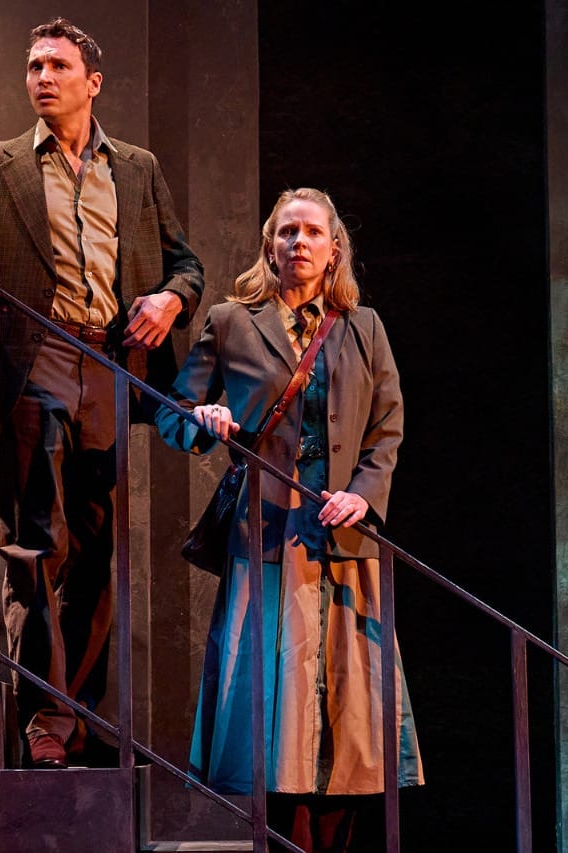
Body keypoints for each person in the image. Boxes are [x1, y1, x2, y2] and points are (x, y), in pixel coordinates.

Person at [0, 18, 204, 769]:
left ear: (92, 82)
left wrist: (170, 300)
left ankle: (74, 712)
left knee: (96, 548)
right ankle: (43, 713)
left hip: (108, 363)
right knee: (36, 542)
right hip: (31, 358)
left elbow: (186, 264)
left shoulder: (135, 169)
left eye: (58, 65)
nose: (42, 76)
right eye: (34, 65)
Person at [155, 187, 423, 851]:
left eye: (311, 233)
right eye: (285, 232)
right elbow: (171, 411)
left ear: (335, 249)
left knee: (345, 724)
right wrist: (203, 417)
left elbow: (387, 426)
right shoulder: (230, 319)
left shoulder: (365, 327)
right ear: (269, 245)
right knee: (274, 724)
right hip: (266, 540)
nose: (297, 243)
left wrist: (365, 493)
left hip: (341, 540)